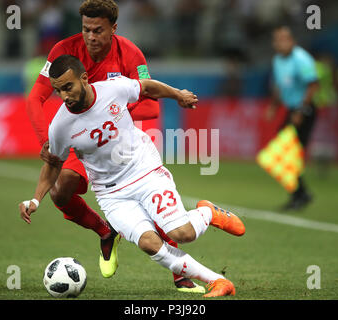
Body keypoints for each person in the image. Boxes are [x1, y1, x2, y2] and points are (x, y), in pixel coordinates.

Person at [19, 54, 246, 297]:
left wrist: (178, 94)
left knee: (183, 234)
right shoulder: (60, 126)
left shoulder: (113, 89)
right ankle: (218, 282)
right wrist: (35, 199)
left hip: (145, 171)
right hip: (111, 194)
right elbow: (53, 165)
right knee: (149, 243)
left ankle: (207, 212)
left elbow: (146, 87)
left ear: (84, 79)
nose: (64, 96)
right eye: (58, 91)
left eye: (68, 87)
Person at [25, 0, 201, 292]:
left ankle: (180, 273)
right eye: (85, 30)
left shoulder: (130, 54)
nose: (91, 37)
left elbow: (150, 106)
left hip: (117, 143)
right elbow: (36, 98)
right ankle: (106, 232)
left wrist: (108, 116)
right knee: (59, 193)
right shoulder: (63, 51)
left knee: (149, 203)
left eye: (97, 30)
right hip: (82, 141)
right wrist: (45, 140)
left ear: (113, 28)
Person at [266, 26, 319, 211]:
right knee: (284, 153)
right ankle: (300, 193)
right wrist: (274, 106)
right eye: (276, 40)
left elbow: (313, 85)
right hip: (292, 109)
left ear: (292, 41)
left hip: (305, 110)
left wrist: (301, 111)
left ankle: (300, 194)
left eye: (283, 39)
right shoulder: (278, 61)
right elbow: (280, 86)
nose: (279, 43)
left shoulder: (301, 59)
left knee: (287, 153)